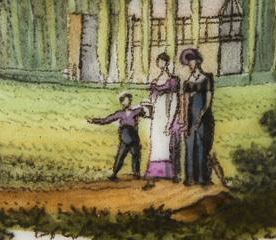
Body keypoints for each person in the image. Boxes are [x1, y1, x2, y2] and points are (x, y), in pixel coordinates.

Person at [88, 92, 147, 180]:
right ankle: (114, 174)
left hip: (133, 137)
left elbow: (145, 112)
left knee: (136, 155)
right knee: (120, 156)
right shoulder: (120, 113)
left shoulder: (136, 111)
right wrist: (94, 120)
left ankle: (136, 173)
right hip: (125, 137)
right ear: (122, 103)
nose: (126, 102)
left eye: (128, 100)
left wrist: (142, 108)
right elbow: (106, 120)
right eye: (124, 101)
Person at [179, 47, 215, 187]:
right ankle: (190, 177)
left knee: (201, 145)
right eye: (188, 62)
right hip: (191, 117)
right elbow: (185, 102)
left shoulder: (207, 78)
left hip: (203, 117)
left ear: (198, 61)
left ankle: (202, 178)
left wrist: (201, 114)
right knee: (190, 145)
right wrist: (185, 120)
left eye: (192, 61)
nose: (190, 64)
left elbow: (208, 101)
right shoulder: (187, 82)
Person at [144, 52, 181, 181]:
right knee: (156, 141)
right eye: (158, 61)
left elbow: (174, 101)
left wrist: (170, 121)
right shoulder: (155, 80)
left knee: (166, 142)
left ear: (167, 63)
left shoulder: (172, 80)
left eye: (162, 61)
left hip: (166, 114)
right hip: (156, 115)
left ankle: (167, 172)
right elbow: (152, 100)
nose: (160, 63)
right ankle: (155, 171)